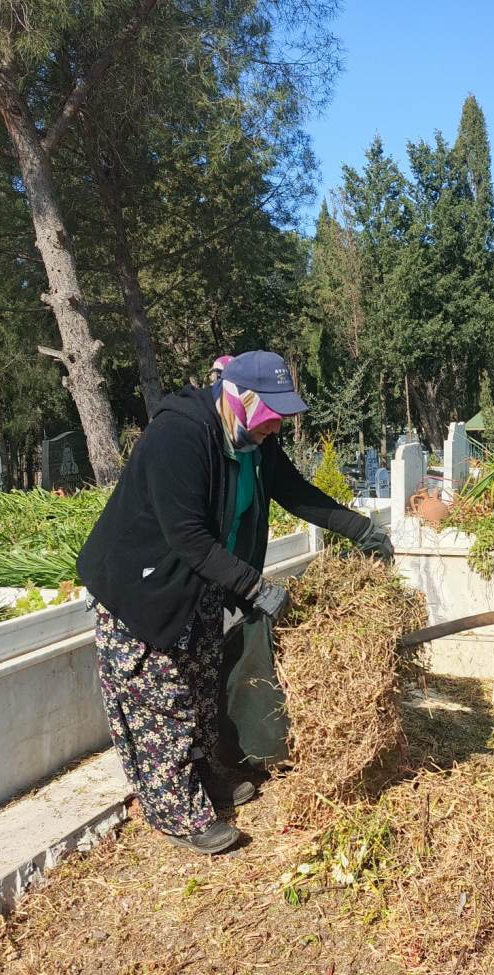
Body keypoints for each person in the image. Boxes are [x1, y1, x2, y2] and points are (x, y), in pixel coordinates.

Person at [77, 350, 394, 854]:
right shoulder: (179, 436)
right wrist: (256, 588)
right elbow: (186, 535)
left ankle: (204, 778)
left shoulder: (254, 441)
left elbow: (295, 491)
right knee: (159, 701)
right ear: (241, 398)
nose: (279, 426)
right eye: (273, 413)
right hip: (140, 587)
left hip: (198, 581)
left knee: (202, 688)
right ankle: (178, 811)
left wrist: (361, 529)